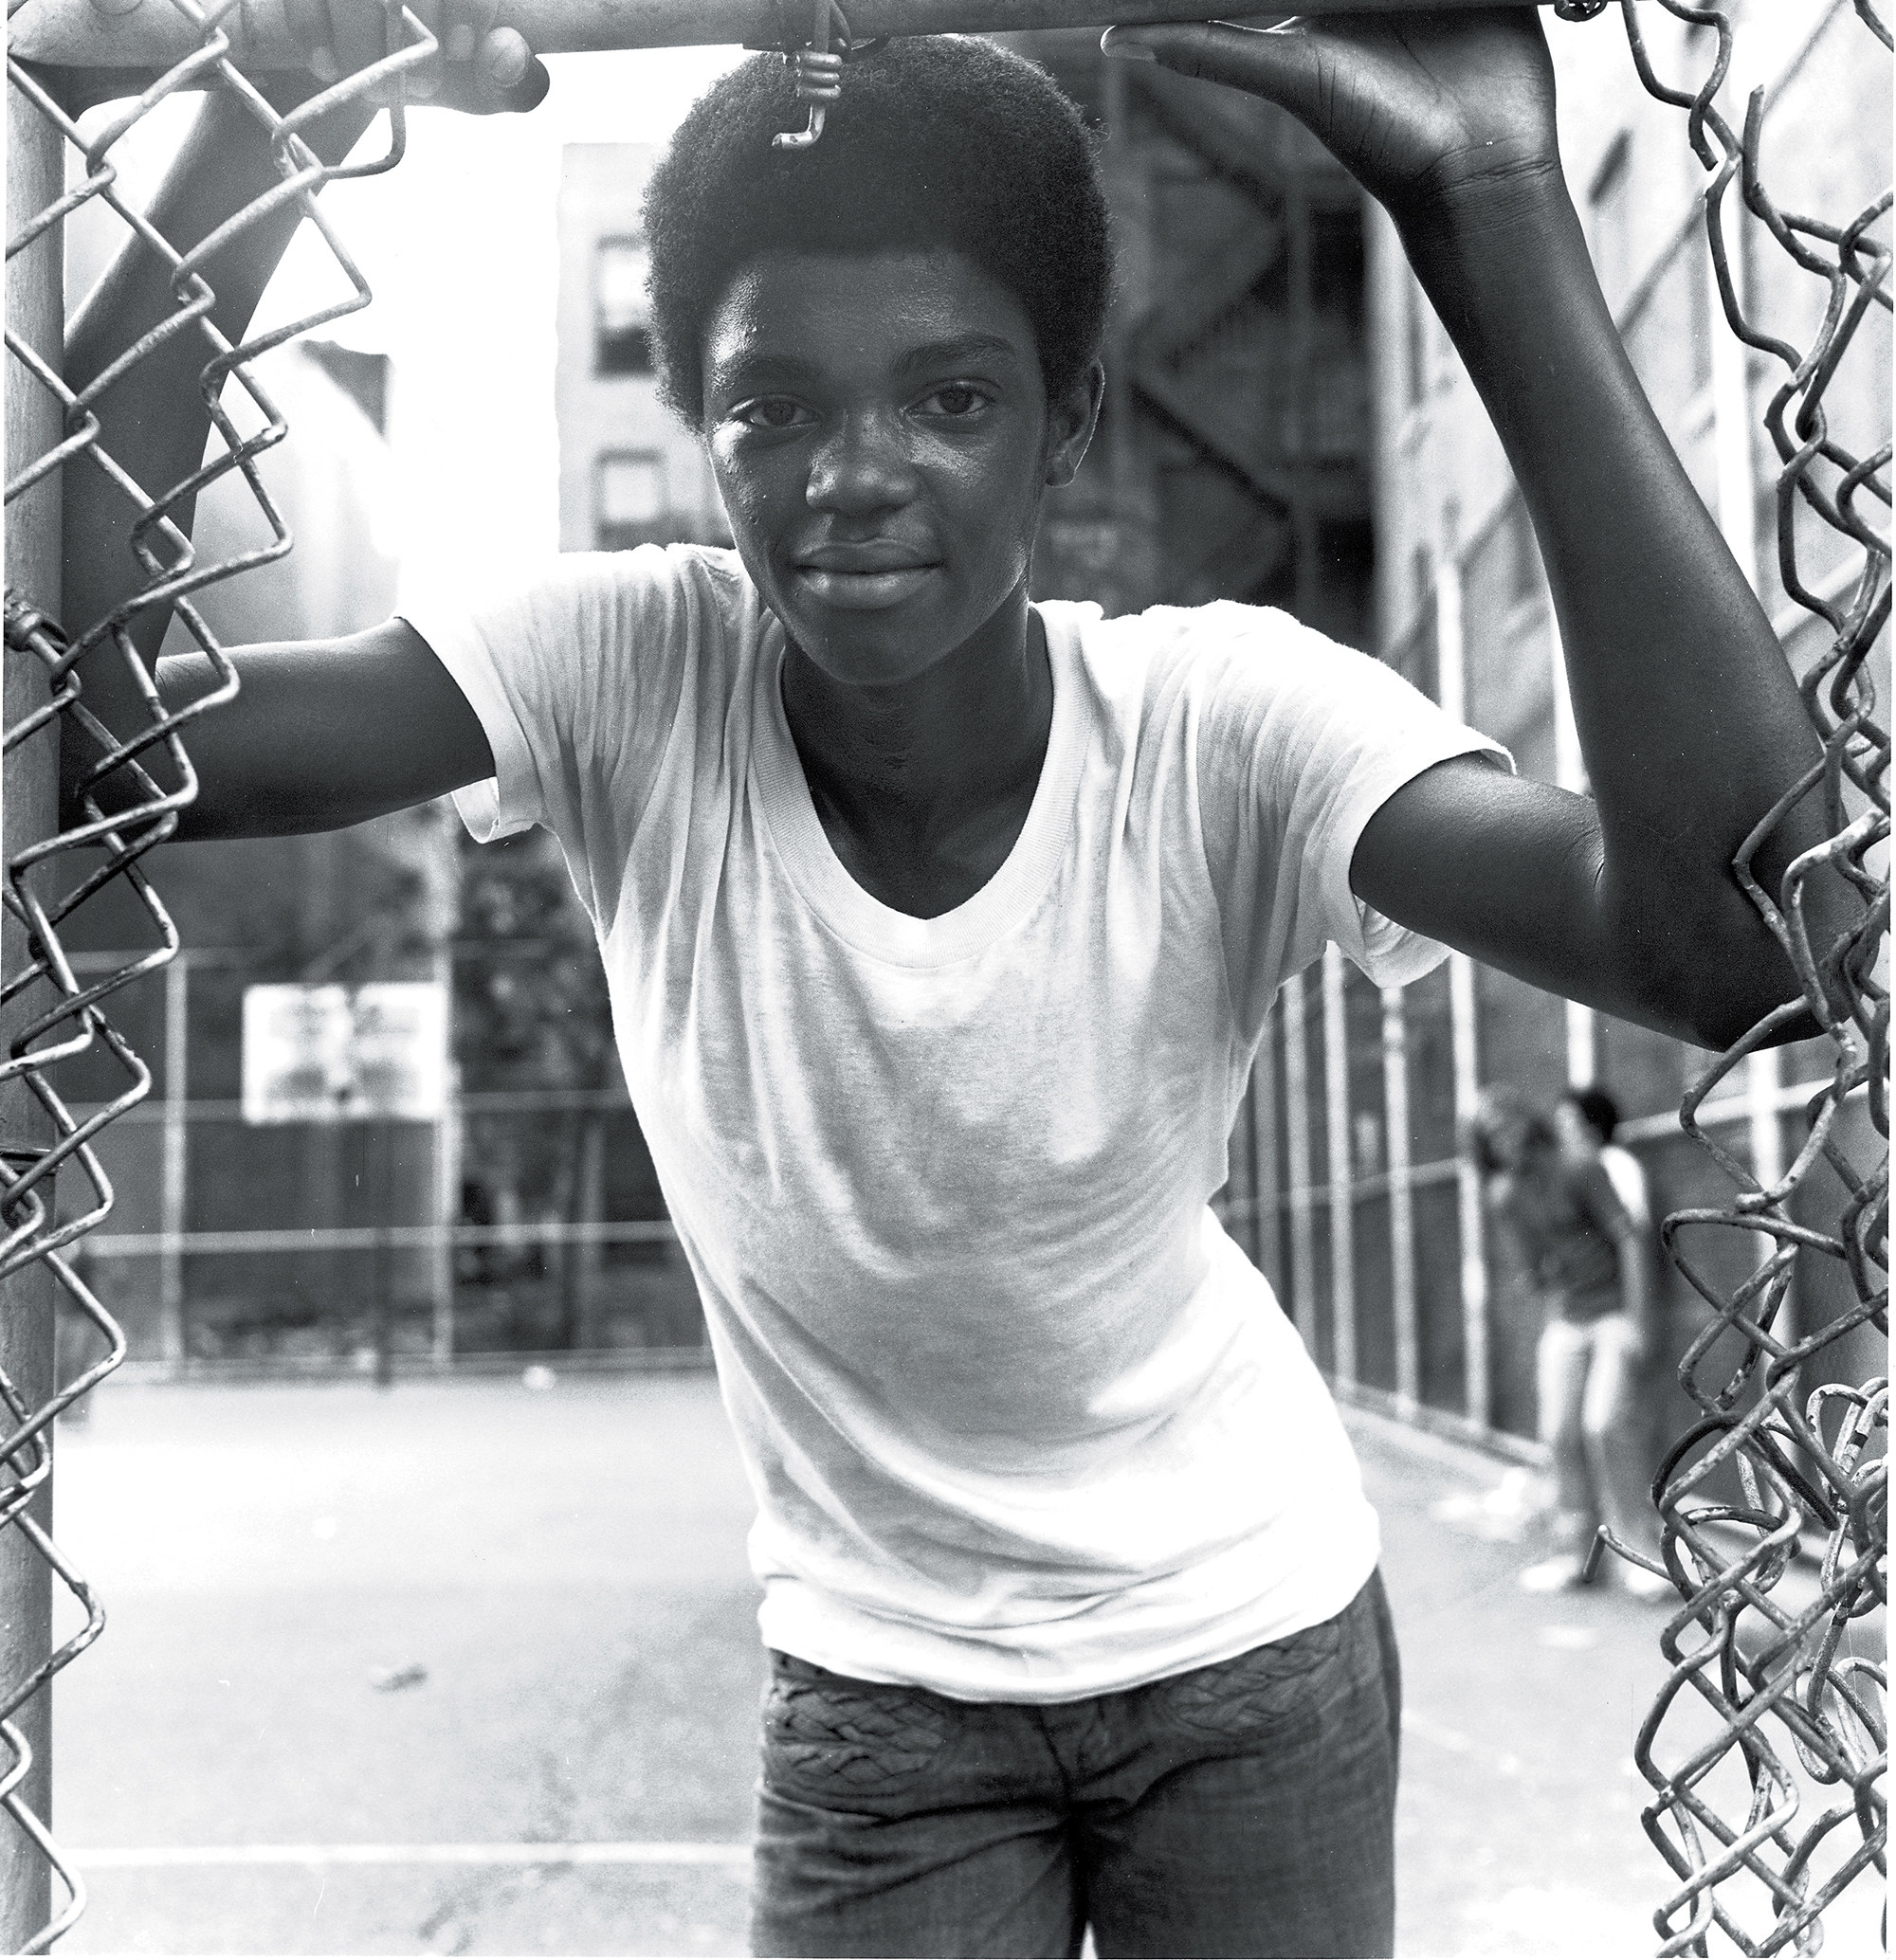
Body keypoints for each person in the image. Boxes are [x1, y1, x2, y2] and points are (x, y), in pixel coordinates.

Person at [58, 9, 1849, 1955]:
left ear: (1068, 419)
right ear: (702, 427)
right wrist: (249, 136)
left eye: (948, 396)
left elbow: (1742, 940)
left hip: (1247, 1642)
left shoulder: (1212, 717)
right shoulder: (626, 671)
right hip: (882, 1685)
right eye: (775, 408)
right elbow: (96, 735)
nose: (854, 471)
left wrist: (1486, 192)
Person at [1475, 1089, 1668, 1603]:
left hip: (1611, 1314)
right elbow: (1533, 1273)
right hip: (1567, 1319)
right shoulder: (1504, 1194)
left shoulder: (1579, 1167)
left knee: (1604, 1424)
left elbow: (1629, 1239)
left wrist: (1637, 1321)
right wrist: (1533, 1272)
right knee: (1558, 1432)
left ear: (1529, 1124)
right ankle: (1580, 1557)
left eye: (1508, 1125)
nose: (1503, 1138)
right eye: (1490, 1134)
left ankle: (1641, 1557)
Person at [1559, 1082, 1650, 1228]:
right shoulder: (1576, 1171)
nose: (1562, 1135)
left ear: (1593, 1128)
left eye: (1567, 1126)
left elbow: (1636, 1224)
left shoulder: (1618, 1164)